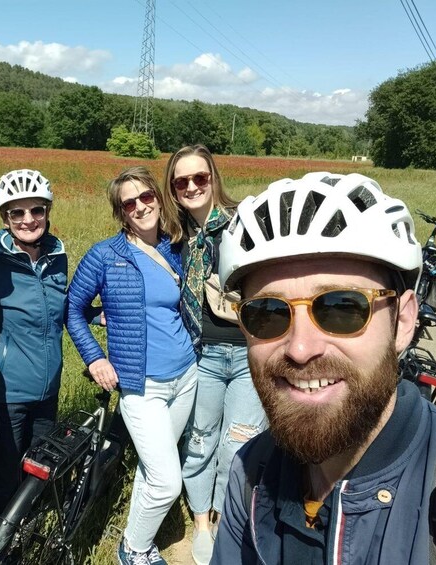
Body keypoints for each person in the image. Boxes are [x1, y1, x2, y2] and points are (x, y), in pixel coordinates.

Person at [212, 172, 436, 563]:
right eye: (268, 312)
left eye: (342, 307)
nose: (300, 349)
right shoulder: (251, 473)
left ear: (403, 322)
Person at [67, 166, 199, 565]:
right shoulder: (105, 255)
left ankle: (138, 537)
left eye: (146, 196)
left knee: (154, 468)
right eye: (129, 203)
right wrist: (95, 357)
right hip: (142, 386)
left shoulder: (175, 247)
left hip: (186, 375)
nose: (140, 206)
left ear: (158, 198)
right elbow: (72, 309)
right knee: (167, 482)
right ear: (120, 212)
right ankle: (133, 549)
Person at [163, 145, 267, 564]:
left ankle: (228, 519)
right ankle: (201, 521)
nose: (191, 187)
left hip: (247, 353)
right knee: (200, 440)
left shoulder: (245, 223)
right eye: (181, 181)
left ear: (213, 178)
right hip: (201, 353)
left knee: (238, 443)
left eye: (199, 178)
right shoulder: (175, 236)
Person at [0, 169, 68, 529]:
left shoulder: (57, 255)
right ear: (5, 218)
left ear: (47, 212)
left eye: (37, 210)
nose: (29, 219)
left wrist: (97, 315)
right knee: (4, 478)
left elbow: (61, 307)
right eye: (17, 212)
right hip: (7, 394)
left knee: (39, 469)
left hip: (48, 389)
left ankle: (27, 535)